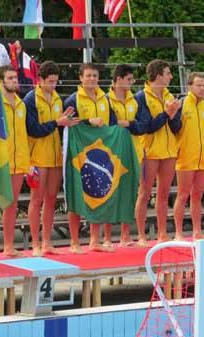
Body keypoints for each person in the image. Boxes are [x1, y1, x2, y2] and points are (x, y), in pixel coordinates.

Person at [24, 61, 79, 256]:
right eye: (50, 81)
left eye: (56, 81)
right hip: (38, 155)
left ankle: (47, 242)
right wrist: (58, 122)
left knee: (51, 199)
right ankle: (35, 244)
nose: (54, 85)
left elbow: (58, 127)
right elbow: (34, 129)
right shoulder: (31, 99)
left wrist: (66, 123)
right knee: (36, 199)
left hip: (56, 155)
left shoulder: (57, 98)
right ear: (40, 80)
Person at [64, 63, 118, 253]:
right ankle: (74, 242)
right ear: (80, 77)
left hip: (100, 155)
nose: (92, 79)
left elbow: (112, 125)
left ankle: (95, 241)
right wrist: (88, 121)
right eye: (88, 75)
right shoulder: (73, 99)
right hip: (78, 156)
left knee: (98, 196)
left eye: (95, 75)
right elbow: (66, 124)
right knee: (76, 197)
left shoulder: (105, 99)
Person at [134, 59, 181, 245]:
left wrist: (174, 115)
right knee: (144, 193)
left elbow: (176, 127)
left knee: (164, 193)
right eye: (168, 73)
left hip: (169, 150)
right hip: (149, 151)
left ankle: (162, 234)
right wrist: (166, 114)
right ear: (159, 75)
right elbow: (148, 126)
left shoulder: (170, 96)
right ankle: (141, 235)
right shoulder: (141, 97)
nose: (171, 77)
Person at [103, 64, 145, 247]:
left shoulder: (134, 100)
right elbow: (110, 123)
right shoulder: (106, 100)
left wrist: (126, 123)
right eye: (129, 79)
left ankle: (125, 236)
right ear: (118, 79)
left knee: (129, 194)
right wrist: (130, 124)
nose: (131, 83)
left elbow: (142, 126)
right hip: (112, 152)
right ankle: (106, 237)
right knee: (109, 194)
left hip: (133, 151)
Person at [0, 65, 29, 256]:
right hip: (1, 162)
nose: (14, 80)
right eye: (10, 78)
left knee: (11, 205)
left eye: (16, 77)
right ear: (2, 80)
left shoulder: (21, 104)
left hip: (19, 162)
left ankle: (8, 247)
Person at [173, 73, 204, 240]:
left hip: (203, 156)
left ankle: (197, 231)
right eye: (198, 85)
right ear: (189, 86)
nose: (202, 88)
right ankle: (178, 232)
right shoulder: (181, 104)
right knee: (183, 194)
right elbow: (174, 127)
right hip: (186, 155)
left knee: (198, 195)